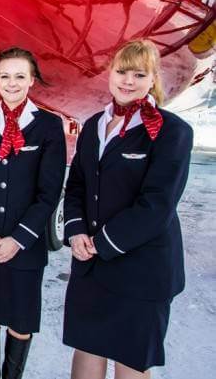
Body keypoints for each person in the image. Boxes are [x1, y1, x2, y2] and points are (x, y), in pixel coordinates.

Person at [62, 39, 193, 379]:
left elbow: (156, 206)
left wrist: (100, 244)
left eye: (139, 74)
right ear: (110, 74)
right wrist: (76, 231)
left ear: (153, 80)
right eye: (122, 72)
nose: (128, 81)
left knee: (130, 359)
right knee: (87, 347)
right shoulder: (93, 125)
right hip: (91, 264)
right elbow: (76, 185)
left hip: (141, 269)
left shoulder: (172, 132)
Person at [0, 47, 66, 379]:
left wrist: (18, 240)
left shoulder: (48, 126)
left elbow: (49, 193)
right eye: (5, 76)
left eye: (20, 76)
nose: (12, 83)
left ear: (32, 81)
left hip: (25, 246)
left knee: (21, 323)